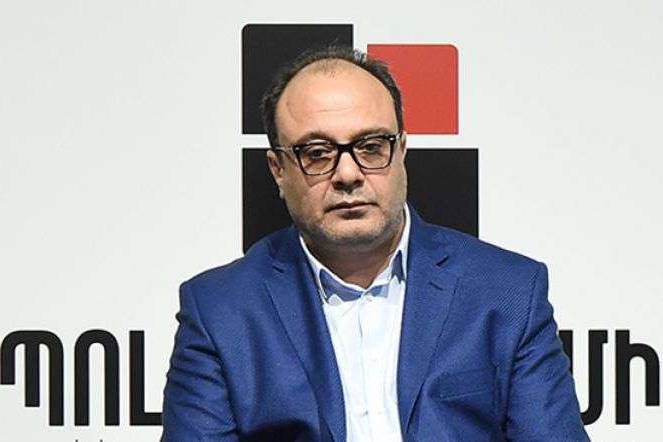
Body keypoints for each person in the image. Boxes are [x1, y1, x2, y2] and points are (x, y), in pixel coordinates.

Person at [162, 46, 589, 441]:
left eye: (370, 147)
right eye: (317, 152)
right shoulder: (221, 310)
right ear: (278, 170)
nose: (348, 174)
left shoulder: (507, 292)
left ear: (401, 151)